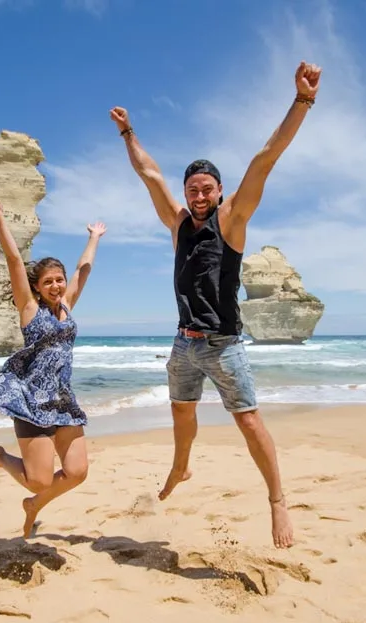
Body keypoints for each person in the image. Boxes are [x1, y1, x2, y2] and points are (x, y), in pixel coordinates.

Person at [110, 61, 322, 549]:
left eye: (207, 187)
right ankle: (181, 468)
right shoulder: (178, 224)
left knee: (248, 420)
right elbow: (149, 172)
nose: (199, 193)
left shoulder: (232, 222)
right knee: (182, 413)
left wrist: (302, 101)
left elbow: (266, 158)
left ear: (220, 191)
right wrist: (128, 133)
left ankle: (277, 501)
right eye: (193, 188)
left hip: (225, 346)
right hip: (184, 344)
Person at [0, 177, 106, 538]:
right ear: (36, 286)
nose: (56, 286)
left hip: (62, 402)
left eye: (59, 280)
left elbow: (83, 270)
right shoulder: (30, 308)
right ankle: (2, 459)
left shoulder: (67, 304)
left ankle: (35, 507)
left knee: (77, 472)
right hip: (32, 403)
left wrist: (94, 237)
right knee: (38, 480)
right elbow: (14, 259)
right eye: (48, 281)